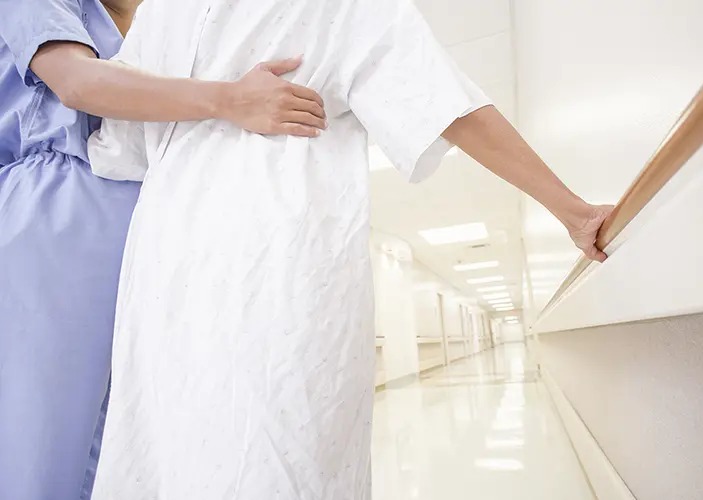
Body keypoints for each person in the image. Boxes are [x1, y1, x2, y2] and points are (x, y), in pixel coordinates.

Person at [87, 0, 611, 498]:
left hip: (271, 266)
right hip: (170, 278)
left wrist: (572, 210)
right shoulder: (161, 15)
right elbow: (115, 136)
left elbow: (442, 101)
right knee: (174, 454)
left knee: (268, 458)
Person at [0, 0, 327, 499]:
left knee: (123, 443)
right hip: (61, 208)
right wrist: (230, 99)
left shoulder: (154, 25)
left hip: (145, 216)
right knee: (46, 441)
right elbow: (78, 84)